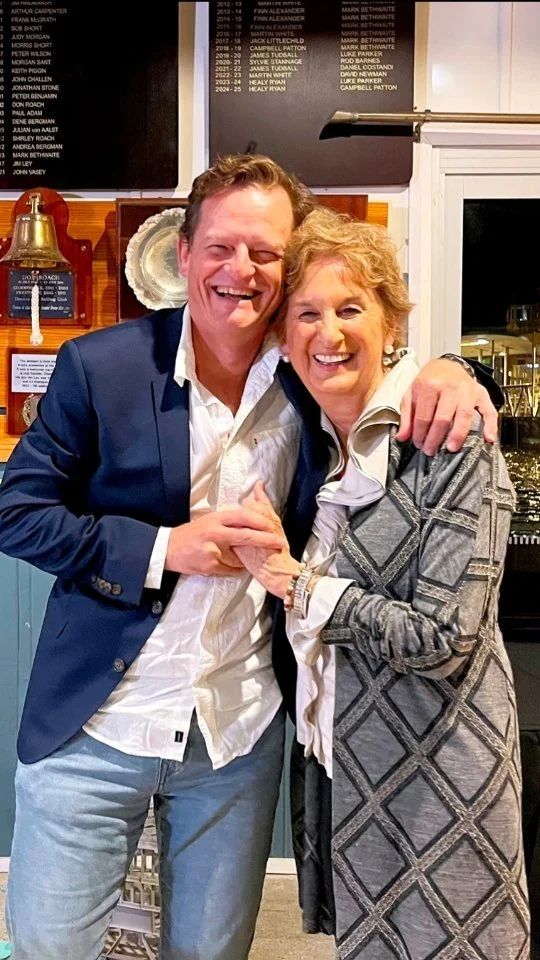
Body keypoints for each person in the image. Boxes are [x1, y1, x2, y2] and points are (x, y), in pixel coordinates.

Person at [0, 154, 501, 960]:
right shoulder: (102, 367)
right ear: (184, 252)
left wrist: (460, 369)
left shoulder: (308, 374)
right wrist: (165, 548)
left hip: (235, 738)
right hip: (96, 726)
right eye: (221, 248)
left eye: (265, 252)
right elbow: (16, 511)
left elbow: (389, 365)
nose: (241, 270)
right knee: (49, 950)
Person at [234, 206, 529, 960]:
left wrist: (299, 586)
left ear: (392, 321)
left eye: (350, 309)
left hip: (442, 775)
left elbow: (444, 637)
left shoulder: (451, 438)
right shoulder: (307, 440)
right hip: (346, 771)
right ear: (283, 334)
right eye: (306, 313)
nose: (327, 333)